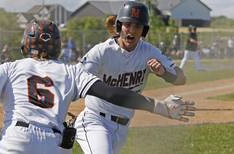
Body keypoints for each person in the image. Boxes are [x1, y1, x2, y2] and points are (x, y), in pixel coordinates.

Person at [0, 20, 194, 154]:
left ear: (25, 43)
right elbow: (113, 93)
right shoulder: (71, 71)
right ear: (58, 45)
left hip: (16, 140)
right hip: (53, 144)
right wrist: (158, 106)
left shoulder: (10, 67)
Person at [74, 2, 187, 154]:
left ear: (144, 31)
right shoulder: (102, 51)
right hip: (95, 120)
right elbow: (76, 78)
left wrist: (163, 72)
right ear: (119, 26)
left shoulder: (149, 52)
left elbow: (181, 78)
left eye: (137, 26)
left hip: (123, 127)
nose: (132, 30)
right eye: (128, 25)